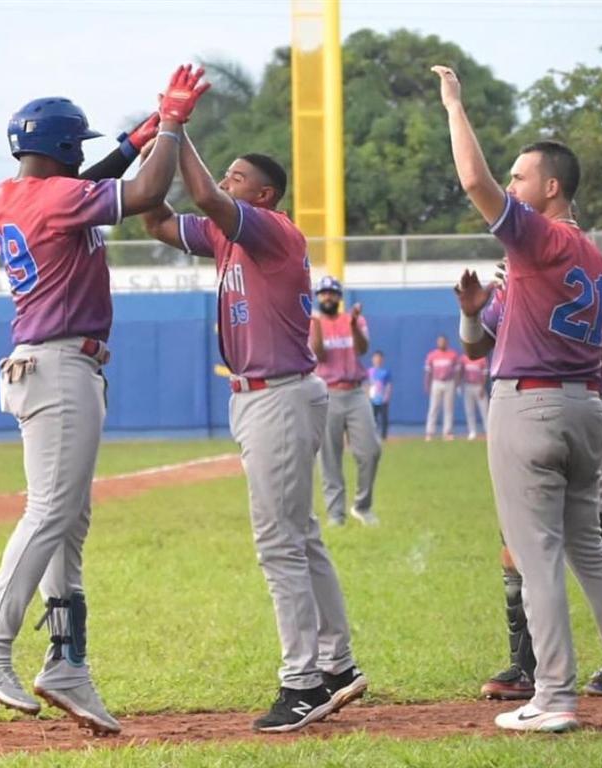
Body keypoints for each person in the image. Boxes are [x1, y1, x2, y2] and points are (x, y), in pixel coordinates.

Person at [0, 65, 210, 736]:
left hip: (47, 363)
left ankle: (67, 661)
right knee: (51, 514)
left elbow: (91, 179)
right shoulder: (57, 198)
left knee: (68, 521)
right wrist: (172, 129)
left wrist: (135, 137)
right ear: (66, 150)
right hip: (62, 363)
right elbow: (147, 189)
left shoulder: (11, 194)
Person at [432, 64, 602, 733]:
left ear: (552, 187)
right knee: (590, 554)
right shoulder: (601, 265)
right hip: (587, 407)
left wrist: (455, 105)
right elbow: (594, 363)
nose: (512, 185)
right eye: (513, 176)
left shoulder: (541, 237)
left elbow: (474, 182)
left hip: (530, 403)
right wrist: (475, 314)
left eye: (522, 176)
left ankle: (555, 696)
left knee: (534, 555)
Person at [140, 131, 367, 733]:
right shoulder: (225, 234)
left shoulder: (272, 230)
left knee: (279, 545)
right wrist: (156, 144)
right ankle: (337, 667)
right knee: (301, 536)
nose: (226, 181)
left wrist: (178, 130)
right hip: (262, 397)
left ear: (263, 194)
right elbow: (155, 219)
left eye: (238, 177)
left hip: (279, 395)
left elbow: (208, 197)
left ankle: (302, 684)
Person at [459, 273, 602, 701]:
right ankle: (525, 667)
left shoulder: (577, 272)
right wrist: (473, 313)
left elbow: (599, 357)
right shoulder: (518, 277)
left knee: (592, 542)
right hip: (531, 417)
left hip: (580, 407)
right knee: (514, 548)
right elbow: (476, 347)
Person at [309, 275, 382, 527]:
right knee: (329, 456)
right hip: (326, 392)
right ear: (318, 297)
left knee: (370, 450)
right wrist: (316, 326)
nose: (327, 296)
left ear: (339, 297)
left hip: (355, 392)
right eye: (323, 293)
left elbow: (362, 349)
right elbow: (318, 354)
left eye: (332, 292)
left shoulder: (353, 319)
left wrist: (352, 324)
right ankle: (335, 515)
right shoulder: (313, 323)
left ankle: (363, 506)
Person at [424, 335, 460, 440]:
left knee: (448, 408)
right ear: (437, 343)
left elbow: (457, 371)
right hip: (436, 382)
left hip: (449, 382)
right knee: (433, 408)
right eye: (440, 342)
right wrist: (427, 384)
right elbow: (428, 372)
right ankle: (430, 432)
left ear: (447, 343)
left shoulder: (453, 355)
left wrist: (456, 384)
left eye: (443, 341)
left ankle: (447, 432)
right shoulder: (432, 355)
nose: (442, 343)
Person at [458, 352, 489, 440]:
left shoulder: (482, 359)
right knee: (469, 410)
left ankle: (487, 431)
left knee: (484, 410)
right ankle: (472, 431)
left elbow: (485, 374)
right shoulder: (464, 358)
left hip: (479, 386)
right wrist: (459, 385)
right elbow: (460, 372)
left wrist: (483, 387)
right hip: (468, 386)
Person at [367, 350, 392, 440]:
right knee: (372, 419)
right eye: (375, 358)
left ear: (382, 360)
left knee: (384, 418)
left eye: (379, 358)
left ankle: (384, 436)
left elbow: (389, 385)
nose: (377, 360)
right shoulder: (369, 372)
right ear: (372, 359)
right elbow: (366, 384)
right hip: (372, 398)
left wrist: (387, 396)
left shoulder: (385, 372)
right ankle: (372, 436)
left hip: (382, 398)